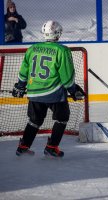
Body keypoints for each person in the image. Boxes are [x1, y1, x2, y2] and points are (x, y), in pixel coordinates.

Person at [12, 20, 85, 157]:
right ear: (58, 33)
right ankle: (51, 147)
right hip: (54, 93)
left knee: (34, 121)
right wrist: (73, 90)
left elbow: (23, 71)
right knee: (62, 118)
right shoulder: (62, 50)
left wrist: (20, 86)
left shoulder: (32, 48)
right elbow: (66, 75)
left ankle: (23, 147)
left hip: (34, 92)